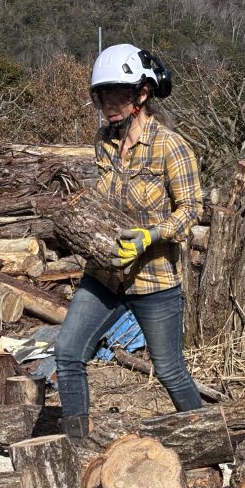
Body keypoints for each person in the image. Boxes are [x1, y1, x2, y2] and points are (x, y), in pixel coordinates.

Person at [54, 43, 203, 439]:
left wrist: (151, 236)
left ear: (141, 94)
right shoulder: (103, 140)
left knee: (169, 368)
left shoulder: (171, 146)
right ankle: (77, 447)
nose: (109, 103)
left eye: (118, 93)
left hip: (154, 278)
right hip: (105, 272)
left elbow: (191, 211)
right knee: (68, 352)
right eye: (102, 94)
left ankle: (209, 443)